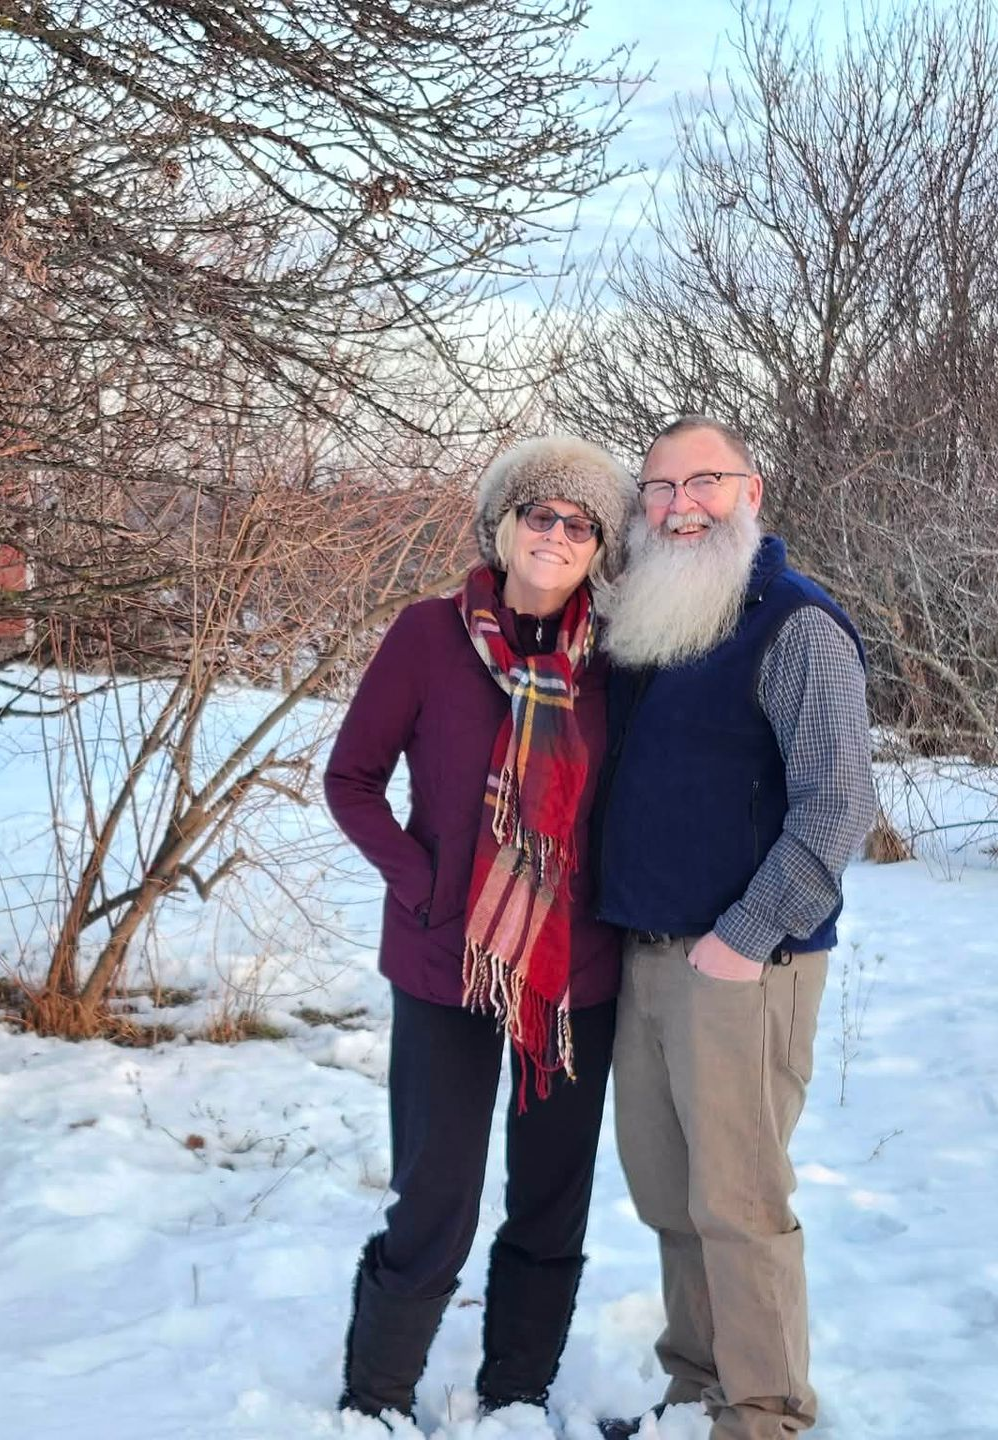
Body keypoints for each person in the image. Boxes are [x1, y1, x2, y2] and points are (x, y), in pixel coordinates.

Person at [324, 436, 632, 1424]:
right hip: (442, 959)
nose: (553, 534)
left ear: (598, 548)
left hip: (570, 971)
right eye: (535, 514)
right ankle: (373, 1397)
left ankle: (514, 1394)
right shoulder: (426, 636)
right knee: (436, 1198)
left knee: (549, 1199)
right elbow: (351, 781)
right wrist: (425, 889)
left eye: (576, 523)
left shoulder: (616, 666)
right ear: (502, 527)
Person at [593, 417, 877, 1440]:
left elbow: (837, 806)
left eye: (701, 482)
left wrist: (742, 939)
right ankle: (693, 1387)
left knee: (738, 1200)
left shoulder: (793, 625)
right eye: (657, 487)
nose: (677, 505)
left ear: (750, 491)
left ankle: (760, 1412)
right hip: (646, 956)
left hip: (740, 965)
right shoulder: (654, 622)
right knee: (669, 1192)